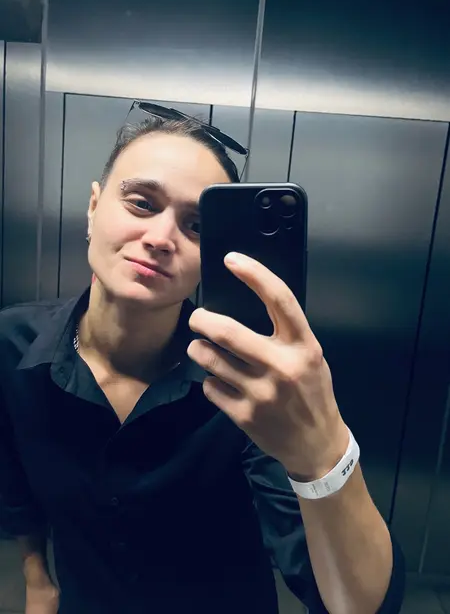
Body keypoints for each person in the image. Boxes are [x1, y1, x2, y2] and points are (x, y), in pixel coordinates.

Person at [0, 105, 405, 614]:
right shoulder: (13, 343)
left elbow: (357, 604)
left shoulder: (246, 379)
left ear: (212, 256)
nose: (160, 239)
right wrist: (37, 578)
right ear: (93, 207)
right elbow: (15, 481)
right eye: (142, 203)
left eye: (196, 226)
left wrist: (323, 449)